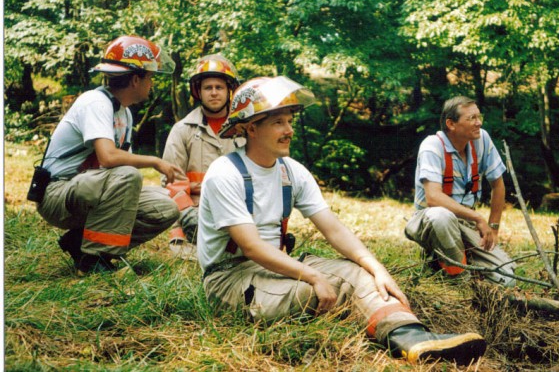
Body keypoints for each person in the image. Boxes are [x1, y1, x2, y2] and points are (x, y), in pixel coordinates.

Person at [197, 77, 487, 366]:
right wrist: (312, 276)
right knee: (312, 291)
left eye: (289, 121)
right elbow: (251, 248)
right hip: (229, 278)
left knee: (359, 274)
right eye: (278, 123)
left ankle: (412, 339)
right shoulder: (225, 173)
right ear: (250, 127)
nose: (289, 130)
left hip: (276, 266)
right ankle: (383, 327)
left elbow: (333, 229)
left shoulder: (292, 172)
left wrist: (377, 269)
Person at [36, 35, 183, 275]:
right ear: (136, 79)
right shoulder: (95, 102)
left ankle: (81, 243)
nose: (152, 84)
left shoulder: (124, 114)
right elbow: (108, 158)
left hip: (88, 190)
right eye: (150, 78)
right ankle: (95, 260)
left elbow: (118, 172)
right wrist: (155, 161)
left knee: (165, 207)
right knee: (128, 176)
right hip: (57, 193)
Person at [404, 96, 515, 286]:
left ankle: (446, 260)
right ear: (451, 124)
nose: (478, 122)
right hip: (428, 220)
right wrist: (479, 218)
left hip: (465, 224)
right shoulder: (432, 146)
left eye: (479, 117)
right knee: (441, 216)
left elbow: (498, 184)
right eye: (471, 118)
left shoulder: (482, 139)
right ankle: (459, 279)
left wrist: (493, 228)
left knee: (506, 279)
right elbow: (433, 198)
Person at [161, 54, 242, 257]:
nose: (214, 93)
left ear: (229, 90)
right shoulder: (182, 130)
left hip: (236, 211)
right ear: (198, 91)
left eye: (219, 87)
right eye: (208, 88)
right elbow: (171, 181)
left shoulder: (245, 129)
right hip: (193, 215)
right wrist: (187, 213)